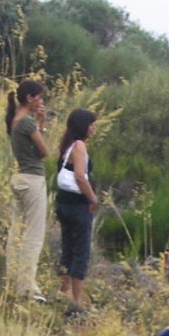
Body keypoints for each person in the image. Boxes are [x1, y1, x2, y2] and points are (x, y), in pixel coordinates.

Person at [5, 78, 49, 302]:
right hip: (33, 180)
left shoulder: (14, 120)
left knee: (17, 232)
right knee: (33, 235)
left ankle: (12, 280)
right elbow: (43, 151)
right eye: (39, 98)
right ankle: (27, 287)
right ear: (29, 98)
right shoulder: (27, 123)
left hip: (20, 178)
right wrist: (42, 124)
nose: (41, 102)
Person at [54, 108, 98, 313]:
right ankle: (76, 301)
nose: (93, 128)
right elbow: (80, 176)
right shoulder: (79, 146)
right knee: (81, 252)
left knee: (67, 249)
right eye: (91, 124)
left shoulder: (67, 145)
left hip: (63, 204)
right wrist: (92, 198)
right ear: (83, 126)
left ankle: (63, 293)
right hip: (77, 206)